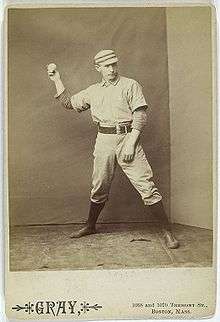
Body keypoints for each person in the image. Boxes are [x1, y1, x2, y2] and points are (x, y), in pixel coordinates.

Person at [47, 49, 179, 249]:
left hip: (128, 137)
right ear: (97, 68)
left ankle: (167, 231)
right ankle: (90, 225)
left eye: (114, 64)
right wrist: (57, 79)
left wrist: (131, 142)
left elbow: (140, 115)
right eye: (107, 66)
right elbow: (68, 103)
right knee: (99, 186)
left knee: (146, 186)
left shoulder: (130, 85)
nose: (111, 69)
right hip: (104, 140)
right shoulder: (93, 91)